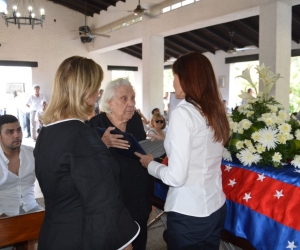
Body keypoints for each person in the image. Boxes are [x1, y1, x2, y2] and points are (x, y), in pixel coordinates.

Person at [34, 56, 139, 250]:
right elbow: (103, 206)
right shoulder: (81, 136)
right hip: (81, 236)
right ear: (86, 91)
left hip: (54, 234)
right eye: (97, 89)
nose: (98, 95)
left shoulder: (46, 133)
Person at [135, 52, 230, 250]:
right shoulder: (215, 111)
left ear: (187, 78)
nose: (173, 82)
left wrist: (150, 164)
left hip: (189, 212)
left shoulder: (184, 113)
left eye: (175, 76)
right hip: (216, 206)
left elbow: (176, 177)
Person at [88, 78, 151, 250]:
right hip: (112, 204)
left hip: (139, 199)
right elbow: (87, 165)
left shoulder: (136, 121)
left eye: (133, 98)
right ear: (109, 101)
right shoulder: (96, 124)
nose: (131, 104)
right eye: (124, 98)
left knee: (139, 243)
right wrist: (103, 144)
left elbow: (140, 151)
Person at [0, 115, 43, 218]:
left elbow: (49, 181)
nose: (17, 135)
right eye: (10, 132)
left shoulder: (32, 153)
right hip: (4, 213)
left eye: (19, 130)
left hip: (31, 208)